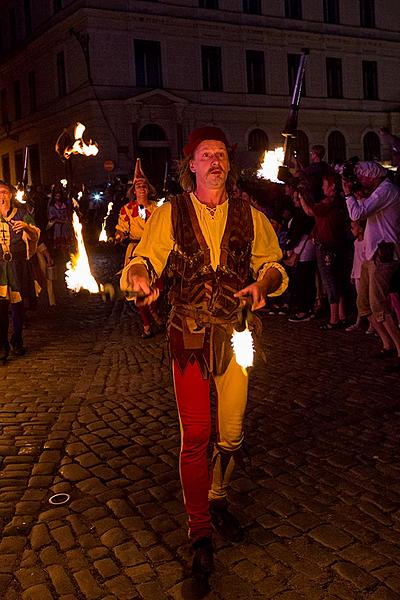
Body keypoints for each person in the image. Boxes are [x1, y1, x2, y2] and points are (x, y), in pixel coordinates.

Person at [120, 126, 287, 585]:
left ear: (228, 163)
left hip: (237, 334)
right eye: (205, 154)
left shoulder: (250, 215)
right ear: (190, 164)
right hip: (188, 334)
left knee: (230, 433)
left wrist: (264, 284)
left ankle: (218, 496)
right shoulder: (170, 213)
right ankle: (200, 533)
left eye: (220, 153)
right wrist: (139, 278)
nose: (215, 160)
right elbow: (144, 259)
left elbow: (273, 264)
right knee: (195, 435)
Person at [343, 161, 400, 370]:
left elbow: (357, 214)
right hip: (371, 254)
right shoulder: (379, 191)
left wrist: (349, 195)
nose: (361, 181)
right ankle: (387, 344)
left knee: (379, 306)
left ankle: (398, 347)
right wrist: (358, 197)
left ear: (371, 176)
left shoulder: (386, 191)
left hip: (382, 255)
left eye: (363, 177)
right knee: (364, 305)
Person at [116, 159, 163, 338]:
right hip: (135, 250)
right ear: (133, 190)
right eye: (138, 187)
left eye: (144, 187)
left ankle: (154, 310)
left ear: (148, 189)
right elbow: (122, 228)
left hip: (153, 249)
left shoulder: (157, 208)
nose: (141, 190)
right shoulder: (126, 210)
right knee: (138, 287)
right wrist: (119, 236)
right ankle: (146, 324)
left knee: (158, 285)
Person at [299, 173, 350, 329]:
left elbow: (310, 211)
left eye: (325, 185)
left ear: (332, 187)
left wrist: (302, 197)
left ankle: (334, 319)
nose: (322, 188)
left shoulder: (328, 204)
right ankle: (342, 315)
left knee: (330, 281)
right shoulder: (337, 204)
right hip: (336, 246)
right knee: (338, 280)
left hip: (327, 247)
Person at [0, 181, 40, 361]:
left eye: (5, 192)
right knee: (0, 307)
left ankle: (17, 340)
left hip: (17, 264)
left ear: (10, 195)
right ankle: (2, 345)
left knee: (17, 305)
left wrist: (26, 227)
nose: (2, 196)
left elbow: (36, 236)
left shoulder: (23, 214)